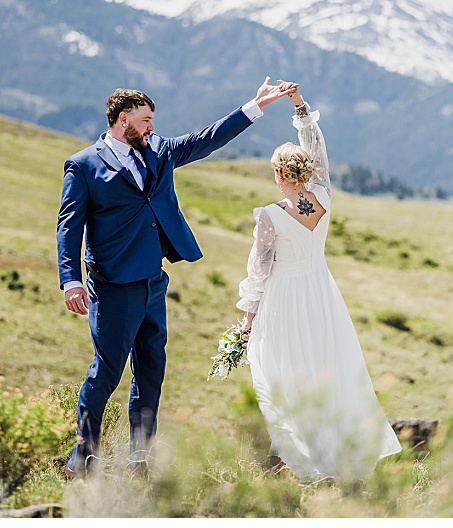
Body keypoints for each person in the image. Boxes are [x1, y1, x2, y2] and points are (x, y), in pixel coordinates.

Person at [56, 78, 298, 478]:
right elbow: (68, 226)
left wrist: (254, 106)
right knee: (107, 370)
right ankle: (82, 458)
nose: (152, 126)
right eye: (146, 120)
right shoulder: (83, 165)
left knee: (152, 369)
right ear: (122, 120)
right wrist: (71, 280)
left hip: (153, 280)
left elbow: (208, 138)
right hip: (113, 285)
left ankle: (141, 458)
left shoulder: (160, 150)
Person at [236, 90, 401, 481]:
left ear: (279, 174)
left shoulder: (269, 217)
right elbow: (319, 153)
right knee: (327, 365)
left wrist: (247, 319)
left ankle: (305, 460)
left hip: (283, 299)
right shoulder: (323, 197)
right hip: (321, 293)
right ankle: (337, 453)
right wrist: (301, 107)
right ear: (306, 172)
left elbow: (259, 272)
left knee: (281, 372)